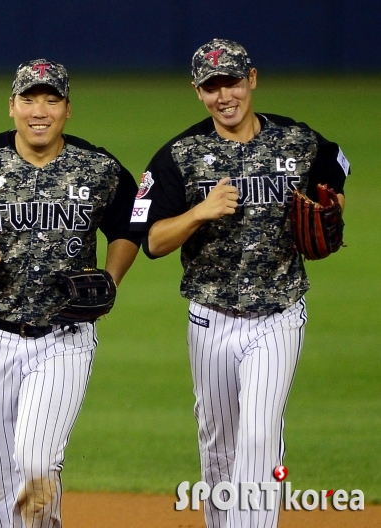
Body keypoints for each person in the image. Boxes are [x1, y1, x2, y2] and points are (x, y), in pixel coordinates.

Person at [0, 59, 140, 527]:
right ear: (11, 106)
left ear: (67, 109)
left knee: (36, 461)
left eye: (51, 99)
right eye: (29, 99)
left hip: (65, 338)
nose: (40, 110)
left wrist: (111, 280)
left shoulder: (98, 167)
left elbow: (129, 227)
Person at [131, 39, 350, 527]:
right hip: (210, 319)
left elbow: (337, 171)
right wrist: (199, 212)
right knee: (218, 444)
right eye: (211, 86)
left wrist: (334, 204)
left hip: (279, 314)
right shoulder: (179, 156)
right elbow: (154, 241)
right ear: (197, 92)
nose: (223, 95)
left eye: (231, 81)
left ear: (251, 78)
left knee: (259, 434)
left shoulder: (298, 141)